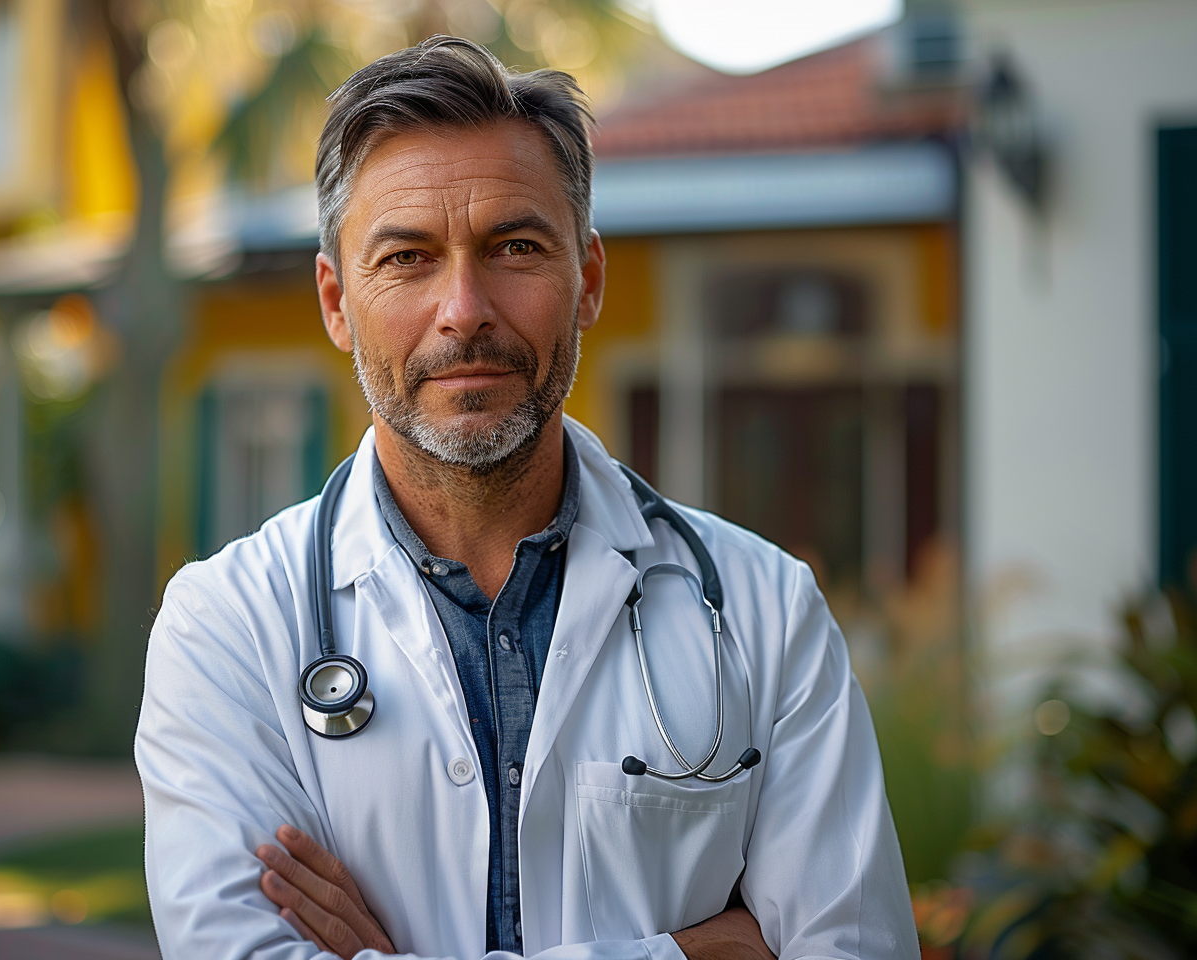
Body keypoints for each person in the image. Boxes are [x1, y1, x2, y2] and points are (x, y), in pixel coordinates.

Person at [135, 36, 919, 960]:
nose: (464, 307)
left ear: (585, 280)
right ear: (336, 300)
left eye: (515, 247)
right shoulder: (224, 627)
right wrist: (694, 951)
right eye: (407, 258)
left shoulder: (764, 611)